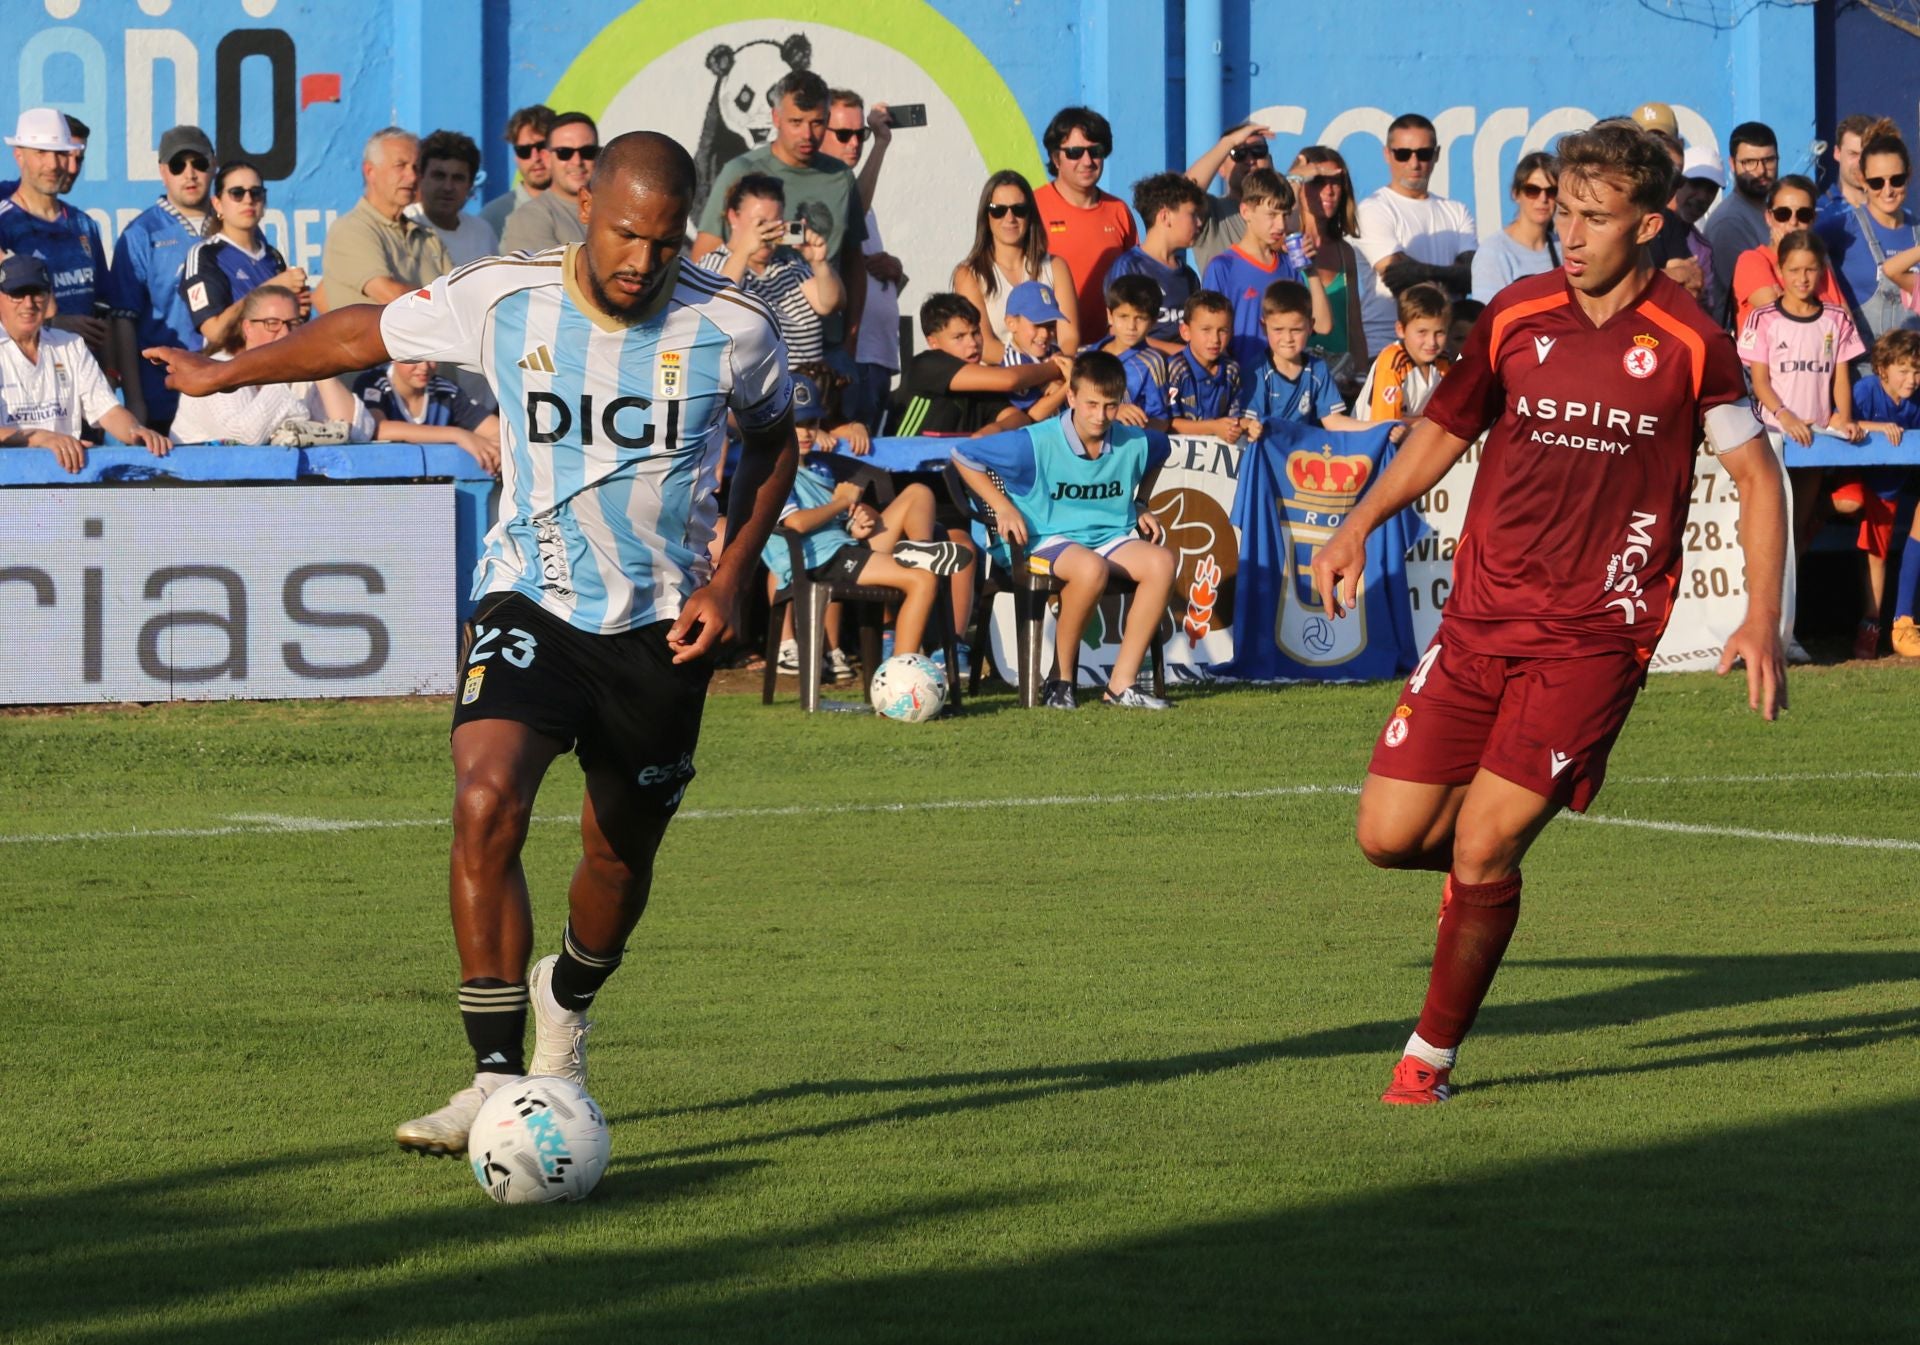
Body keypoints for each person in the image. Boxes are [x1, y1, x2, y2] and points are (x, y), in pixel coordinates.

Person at [147, 131, 803, 1156]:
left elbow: (775, 440)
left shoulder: (733, 328)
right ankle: (492, 1077)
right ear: (588, 212)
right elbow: (361, 333)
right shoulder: (503, 294)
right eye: (627, 235)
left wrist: (731, 575)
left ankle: (567, 1006)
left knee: (616, 863)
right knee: (485, 796)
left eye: (665, 242)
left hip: (660, 622)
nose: (642, 260)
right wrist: (220, 373)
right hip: (528, 595)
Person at [1308, 123, 1786, 1107]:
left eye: (1596, 218)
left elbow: (1755, 474)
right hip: (1480, 621)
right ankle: (1481, 885)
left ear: (1649, 225)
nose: (1570, 233)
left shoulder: (1693, 338)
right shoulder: (1517, 312)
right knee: (1388, 836)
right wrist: (1359, 523)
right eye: (1562, 210)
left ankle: (1427, 1060)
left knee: (1483, 841)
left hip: (1594, 637)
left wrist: (1759, 613)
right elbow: (1444, 428)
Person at [954, 350, 1175, 710]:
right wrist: (1003, 506)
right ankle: (1061, 679)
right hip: (1044, 540)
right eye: (1090, 404)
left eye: (1109, 405)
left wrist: (1140, 502)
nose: (1100, 415)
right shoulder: (1035, 441)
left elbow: (1161, 449)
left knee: (1162, 563)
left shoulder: (1136, 440)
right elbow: (964, 455)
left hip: (1108, 537)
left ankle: (1121, 685)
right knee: (1090, 569)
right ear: (1070, 397)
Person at [692, 72, 867, 359]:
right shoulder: (741, 171)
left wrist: (851, 338)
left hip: (827, 345)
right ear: (775, 118)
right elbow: (704, 263)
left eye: (817, 123)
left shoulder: (841, 176)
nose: (807, 135)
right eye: (796, 122)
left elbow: (853, 263)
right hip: (753, 351)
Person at [0, 108, 137, 413]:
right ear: (19, 155)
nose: (55, 164)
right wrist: (52, 322)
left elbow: (104, 311)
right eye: (42, 153)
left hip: (85, 388)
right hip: (24, 394)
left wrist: (111, 376)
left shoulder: (84, 224)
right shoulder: (4, 224)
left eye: (63, 153)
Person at [0, 255, 170, 473]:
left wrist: (135, 430)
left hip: (64, 475)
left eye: (36, 293)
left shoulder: (70, 345)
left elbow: (106, 409)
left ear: (49, 296)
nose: (28, 303)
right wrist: (40, 438)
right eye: (17, 294)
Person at [107, 125, 216, 431]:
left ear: (214, 164)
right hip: (164, 395)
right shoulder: (141, 234)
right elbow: (123, 322)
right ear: (163, 171)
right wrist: (135, 399)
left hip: (228, 389)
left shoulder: (233, 224)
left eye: (199, 163)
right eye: (178, 165)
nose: (190, 174)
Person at [171, 285, 374, 446]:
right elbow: (245, 436)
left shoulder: (299, 372)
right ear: (247, 328)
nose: (285, 334)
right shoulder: (220, 368)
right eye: (272, 323)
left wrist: (320, 369)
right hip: (198, 490)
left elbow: (359, 431)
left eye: (293, 324)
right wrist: (283, 377)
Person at [1352, 113, 1476, 353]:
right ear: (1387, 154)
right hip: (1387, 346)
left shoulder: (1457, 211)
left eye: (1424, 153)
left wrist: (1421, 271)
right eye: (1403, 154)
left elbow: (1471, 275)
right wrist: (1452, 276)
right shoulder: (1373, 209)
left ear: (1437, 155)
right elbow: (1398, 276)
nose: (1414, 162)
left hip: (1442, 350)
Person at [823, 89, 908, 433]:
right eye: (844, 135)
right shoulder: (825, 192)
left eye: (861, 135)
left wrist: (895, 271)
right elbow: (852, 207)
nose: (854, 143)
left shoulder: (858, 198)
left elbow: (867, 272)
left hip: (876, 355)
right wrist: (880, 145)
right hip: (849, 356)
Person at [697, 174, 841, 367]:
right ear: (733, 217)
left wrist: (819, 262)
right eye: (759, 223)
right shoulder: (715, 263)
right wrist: (744, 251)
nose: (768, 231)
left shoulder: (789, 265)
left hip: (810, 388)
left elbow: (829, 305)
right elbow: (717, 304)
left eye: (775, 222)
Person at [1201, 169, 1329, 376]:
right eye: (1271, 214)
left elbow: (1322, 326)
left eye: (1285, 215)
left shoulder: (1290, 266)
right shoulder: (1223, 267)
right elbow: (1207, 338)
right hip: (1241, 389)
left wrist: (1312, 272)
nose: (1281, 224)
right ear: (1245, 212)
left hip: (1286, 388)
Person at [891, 292, 1069, 437]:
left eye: (976, 333)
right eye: (959, 337)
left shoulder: (983, 386)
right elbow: (1010, 379)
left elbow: (1020, 419)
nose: (973, 343)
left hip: (950, 475)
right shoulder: (926, 365)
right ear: (933, 343)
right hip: (903, 471)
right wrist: (1057, 368)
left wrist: (994, 430)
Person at [953, 170, 1080, 364]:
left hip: (1053, 378)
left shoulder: (1056, 267)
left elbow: (1069, 337)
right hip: (998, 385)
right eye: (998, 210)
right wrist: (1033, 371)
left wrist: (1054, 370)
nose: (1010, 218)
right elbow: (984, 345)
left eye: (1019, 209)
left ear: (1030, 214)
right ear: (985, 216)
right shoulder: (969, 275)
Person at [318, 128, 453, 311]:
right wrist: (446, 307)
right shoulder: (351, 230)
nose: (412, 177)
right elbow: (391, 296)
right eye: (400, 165)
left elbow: (455, 293)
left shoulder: (427, 236)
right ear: (370, 171)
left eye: (416, 167)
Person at [1032, 107, 1136, 343]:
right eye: (1075, 153)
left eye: (1095, 151)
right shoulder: (1031, 208)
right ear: (1055, 158)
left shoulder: (1118, 210)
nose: (1087, 161)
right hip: (1050, 351)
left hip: (1108, 351)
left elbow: (1132, 283)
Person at [180, 160, 308, 352]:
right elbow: (214, 332)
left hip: (276, 369)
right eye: (237, 193)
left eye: (256, 192)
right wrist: (273, 287)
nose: (248, 200)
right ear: (218, 204)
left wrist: (297, 315)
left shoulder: (273, 257)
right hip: (232, 372)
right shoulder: (206, 254)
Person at [1818, 119, 1920, 349]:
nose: (1888, 190)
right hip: (1862, 373)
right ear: (1863, 180)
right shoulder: (1840, 227)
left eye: (1897, 179)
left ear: (1909, 175)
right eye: (1876, 182)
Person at [1238, 280, 1366, 434]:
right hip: (1268, 452)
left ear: (1311, 326)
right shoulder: (1256, 371)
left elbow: (1333, 421)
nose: (1288, 338)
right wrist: (1251, 427)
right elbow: (1247, 423)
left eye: (1296, 330)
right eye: (1278, 329)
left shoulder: (1318, 369)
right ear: (1264, 327)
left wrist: (1380, 427)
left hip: (1303, 455)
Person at [1289, 146, 1368, 384]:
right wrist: (1294, 177)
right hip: (1295, 379)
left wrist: (1362, 378)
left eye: (1337, 182)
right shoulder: (1283, 247)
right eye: (1317, 181)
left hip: (1340, 382)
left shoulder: (1345, 252)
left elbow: (1354, 326)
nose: (1330, 190)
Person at [1106, 173, 1207, 352]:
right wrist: (1184, 354)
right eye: (1193, 214)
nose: (1199, 223)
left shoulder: (1189, 276)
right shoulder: (1130, 267)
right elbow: (1119, 334)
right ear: (1165, 217)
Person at [1730, 176, 1842, 332]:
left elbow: (1845, 323)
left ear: (1813, 219)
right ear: (1769, 217)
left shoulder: (1819, 265)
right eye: (1783, 214)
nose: (1793, 222)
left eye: (1803, 214)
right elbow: (1783, 320)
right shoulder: (1752, 260)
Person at [353, 356, 502, 473]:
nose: (424, 367)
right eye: (415, 359)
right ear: (393, 354)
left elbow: (496, 432)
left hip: (436, 489)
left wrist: (496, 451)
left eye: (432, 357)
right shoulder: (373, 382)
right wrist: (458, 435)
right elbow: (379, 429)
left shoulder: (446, 391)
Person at [1703, 121, 1779, 321]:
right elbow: (1756, 295)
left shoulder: (1777, 211)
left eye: (1768, 160)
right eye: (1749, 162)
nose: (1761, 170)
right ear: (1732, 164)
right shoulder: (1729, 223)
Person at [1356, 282, 1452, 439]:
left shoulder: (1444, 361)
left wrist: (1416, 424)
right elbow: (1386, 426)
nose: (1432, 342)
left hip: (1414, 440)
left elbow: (1451, 414)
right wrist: (1429, 423)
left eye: (1439, 333)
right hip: (1370, 446)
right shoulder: (1392, 362)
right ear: (1400, 330)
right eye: (1422, 332)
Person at [499, 112, 597, 255]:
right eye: (564, 153)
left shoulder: (618, 208)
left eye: (587, 151)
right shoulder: (528, 218)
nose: (577, 161)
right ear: (547, 158)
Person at [1185, 123, 1275, 274]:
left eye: (1258, 150)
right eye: (1239, 153)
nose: (1250, 160)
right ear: (1220, 167)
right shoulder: (1213, 212)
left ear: (1271, 161)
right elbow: (1181, 192)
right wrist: (1229, 142)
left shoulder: (1287, 213)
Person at [1471, 152, 1559, 302]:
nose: (1543, 199)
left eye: (1551, 191)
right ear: (1516, 194)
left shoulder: (1564, 247)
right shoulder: (1493, 252)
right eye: (1533, 190)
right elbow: (1490, 315)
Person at [412, 130, 499, 268]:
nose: (448, 187)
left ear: (470, 185)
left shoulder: (483, 233)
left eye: (458, 178)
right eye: (439, 176)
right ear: (420, 177)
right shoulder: (406, 227)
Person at [1166, 289, 1244, 441]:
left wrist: (1244, 425)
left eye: (1222, 330)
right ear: (1185, 331)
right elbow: (1169, 423)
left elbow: (1234, 418)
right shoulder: (1175, 369)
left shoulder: (1231, 370)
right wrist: (1213, 427)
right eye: (1206, 330)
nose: (1215, 339)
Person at [1097, 274, 1171, 429]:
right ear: (1110, 316)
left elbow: (1161, 421)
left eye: (1140, 318)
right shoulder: (1089, 354)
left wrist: (1133, 422)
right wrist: (1112, 411)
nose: (1131, 326)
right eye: (1123, 316)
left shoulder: (1153, 363)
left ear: (1153, 322)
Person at [999, 280, 1072, 423]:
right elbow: (1034, 414)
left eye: (1051, 326)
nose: (1045, 333)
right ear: (1011, 323)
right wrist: (1069, 385)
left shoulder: (1053, 350)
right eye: (1037, 325)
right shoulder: (1014, 363)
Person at [480, 105, 556, 239]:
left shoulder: (585, 207)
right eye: (524, 151)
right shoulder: (494, 216)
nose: (535, 157)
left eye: (542, 147)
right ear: (515, 156)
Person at [1819, 114, 1874, 220]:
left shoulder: (1895, 214)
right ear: (1837, 153)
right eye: (1853, 154)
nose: (1860, 163)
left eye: (1867, 154)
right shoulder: (1818, 213)